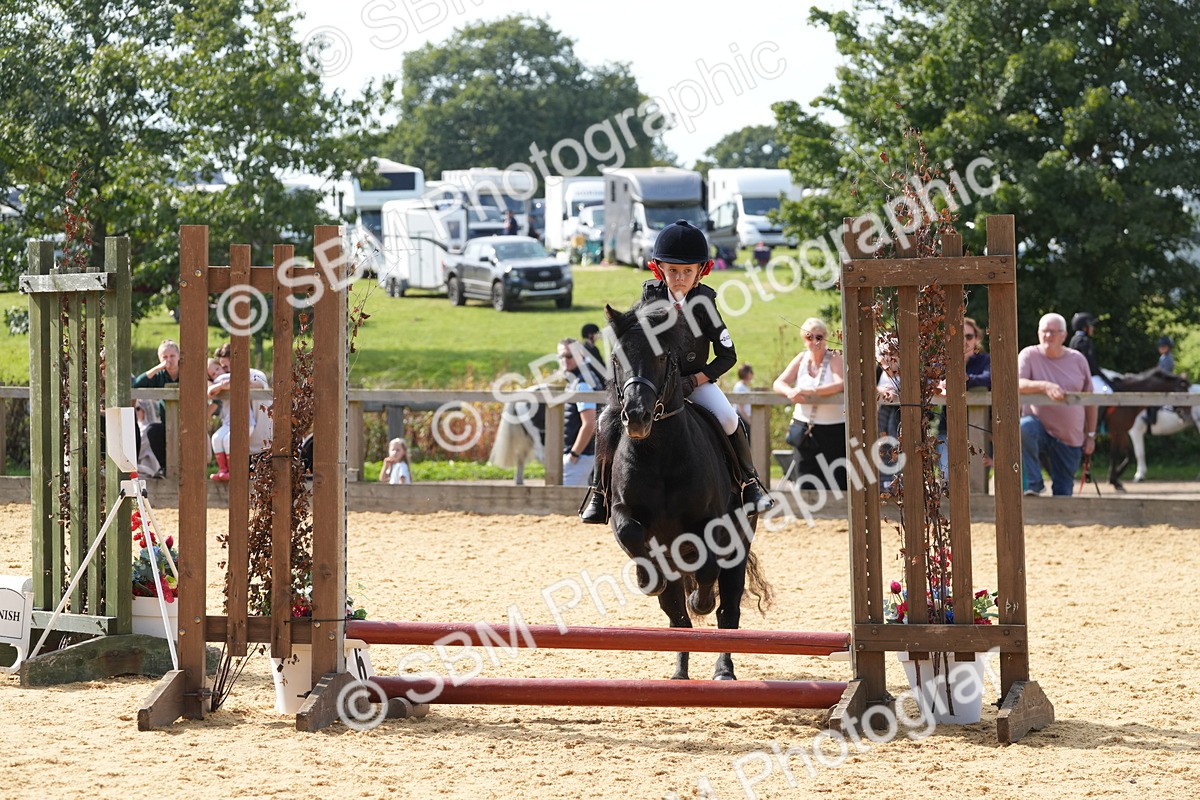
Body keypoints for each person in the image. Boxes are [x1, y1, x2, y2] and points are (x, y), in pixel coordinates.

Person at [579, 220, 773, 522]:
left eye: (687, 271)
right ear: (659, 270)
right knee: (605, 421)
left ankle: (749, 484)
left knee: (729, 418)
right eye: (672, 271)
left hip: (696, 381)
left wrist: (695, 380)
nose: (679, 278)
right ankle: (599, 493)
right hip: (651, 384)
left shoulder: (704, 303)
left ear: (700, 271)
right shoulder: (650, 299)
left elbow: (727, 355)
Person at [1018, 313, 1096, 496]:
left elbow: (1091, 401)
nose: (1048, 336)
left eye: (1053, 332)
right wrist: (1044, 386)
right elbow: (1017, 384)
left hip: (1070, 438)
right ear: (1038, 333)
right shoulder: (1029, 354)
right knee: (1024, 427)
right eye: (1044, 331)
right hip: (1039, 431)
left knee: (1063, 493)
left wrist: (1090, 435)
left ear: (1064, 335)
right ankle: (1034, 484)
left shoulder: (1078, 359)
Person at [773, 318, 847, 489]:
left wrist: (809, 391)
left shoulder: (835, 357)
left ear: (825, 337)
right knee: (804, 476)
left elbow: (840, 384)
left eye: (819, 337)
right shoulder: (801, 358)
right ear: (803, 339)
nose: (814, 342)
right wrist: (790, 391)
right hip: (804, 427)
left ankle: (838, 513)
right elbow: (779, 383)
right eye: (809, 337)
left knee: (836, 478)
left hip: (833, 428)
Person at [936, 316, 992, 478]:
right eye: (958, 336)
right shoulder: (942, 362)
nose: (964, 341)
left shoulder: (985, 360)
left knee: (976, 479)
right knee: (946, 477)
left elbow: (988, 378)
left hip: (980, 429)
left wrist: (957, 380)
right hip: (947, 428)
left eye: (969, 336)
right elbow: (929, 381)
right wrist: (939, 386)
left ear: (977, 339)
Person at [207, 344, 269, 481]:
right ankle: (224, 469)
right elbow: (210, 390)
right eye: (221, 367)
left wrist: (230, 383)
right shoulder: (221, 380)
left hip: (262, 445)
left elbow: (257, 385)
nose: (223, 371)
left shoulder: (254, 374)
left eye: (225, 367)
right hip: (242, 446)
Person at [132, 339, 181, 472]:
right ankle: (165, 467)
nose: (169, 360)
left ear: (179, 356)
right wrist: (158, 368)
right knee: (152, 431)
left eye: (172, 356)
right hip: (167, 423)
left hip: (186, 422)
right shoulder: (159, 375)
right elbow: (136, 385)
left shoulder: (187, 373)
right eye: (164, 357)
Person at [558, 338, 597, 487]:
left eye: (569, 356)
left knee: (562, 504)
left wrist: (574, 455)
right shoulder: (578, 380)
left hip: (581, 457)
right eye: (561, 356)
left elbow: (590, 424)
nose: (564, 360)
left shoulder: (582, 384)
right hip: (583, 455)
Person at [1068, 312, 1112, 393]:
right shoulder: (1082, 341)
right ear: (1085, 327)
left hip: (1084, 374)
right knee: (1109, 393)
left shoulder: (1076, 339)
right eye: (1091, 326)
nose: (1093, 328)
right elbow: (1089, 363)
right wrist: (1101, 375)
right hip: (1087, 376)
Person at [579, 322, 608, 389]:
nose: (598, 335)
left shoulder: (594, 348)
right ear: (590, 335)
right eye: (597, 333)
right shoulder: (584, 350)